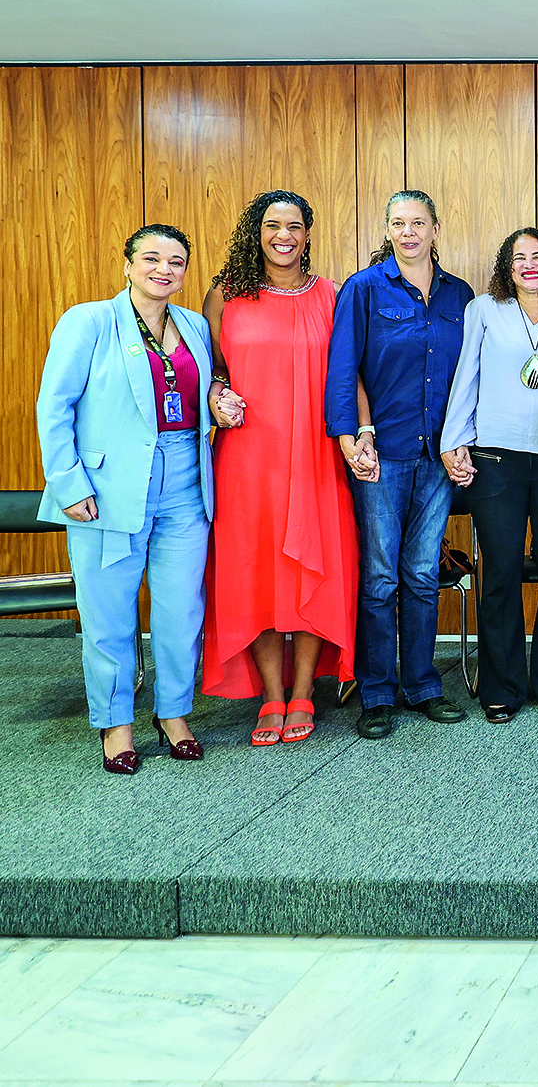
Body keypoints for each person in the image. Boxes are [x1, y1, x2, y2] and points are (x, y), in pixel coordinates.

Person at [37, 224, 234, 774]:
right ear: (127, 264)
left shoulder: (195, 324)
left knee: (179, 612)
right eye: (151, 258)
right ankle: (116, 723)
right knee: (109, 614)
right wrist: (69, 484)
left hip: (185, 486)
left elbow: (203, 388)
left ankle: (173, 713)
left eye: (176, 262)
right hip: (109, 489)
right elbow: (54, 408)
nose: (163, 270)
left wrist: (221, 400)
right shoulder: (90, 322)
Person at [201, 190, 358, 748]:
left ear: (309, 234)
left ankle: (304, 692)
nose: (283, 235)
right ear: (256, 231)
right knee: (258, 573)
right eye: (272, 225)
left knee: (315, 568)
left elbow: (349, 374)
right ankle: (271, 694)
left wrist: (358, 433)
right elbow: (209, 373)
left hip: (316, 454)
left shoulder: (332, 295)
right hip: (249, 459)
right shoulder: (226, 297)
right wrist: (218, 396)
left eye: (294, 225)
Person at [325, 189, 476, 739]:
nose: (408, 232)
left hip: (438, 454)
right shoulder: (364, 289)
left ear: (436, 228)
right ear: (387, 230)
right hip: (380, 454)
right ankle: (377, 692)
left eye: (418, 222)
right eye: (397, 223)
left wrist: (464, 439)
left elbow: (471, 376)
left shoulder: (460, 295)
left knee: (419, 571)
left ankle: (423, 685)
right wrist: (348, 435)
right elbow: (345, 366)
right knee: (381, 576)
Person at [441, 227, 538, 723]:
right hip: (495, 460)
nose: (529, 264)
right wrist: (453, 440)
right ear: (507, 267)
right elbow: (466, 377)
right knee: (500, 571)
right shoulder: (484, 310)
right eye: (519, 257)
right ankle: (501, 685)